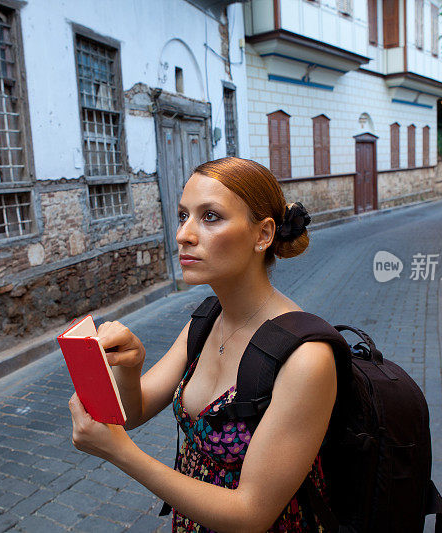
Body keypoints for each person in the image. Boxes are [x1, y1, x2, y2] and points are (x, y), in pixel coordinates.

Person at [68, 157, 337, 532]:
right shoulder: (208, 317)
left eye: (210, 217)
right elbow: (133, 412)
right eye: (183, 216)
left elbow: (251, 514)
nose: (183, 235)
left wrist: (119, 452)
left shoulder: (306, 358)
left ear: (263, 234)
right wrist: (131, 367)